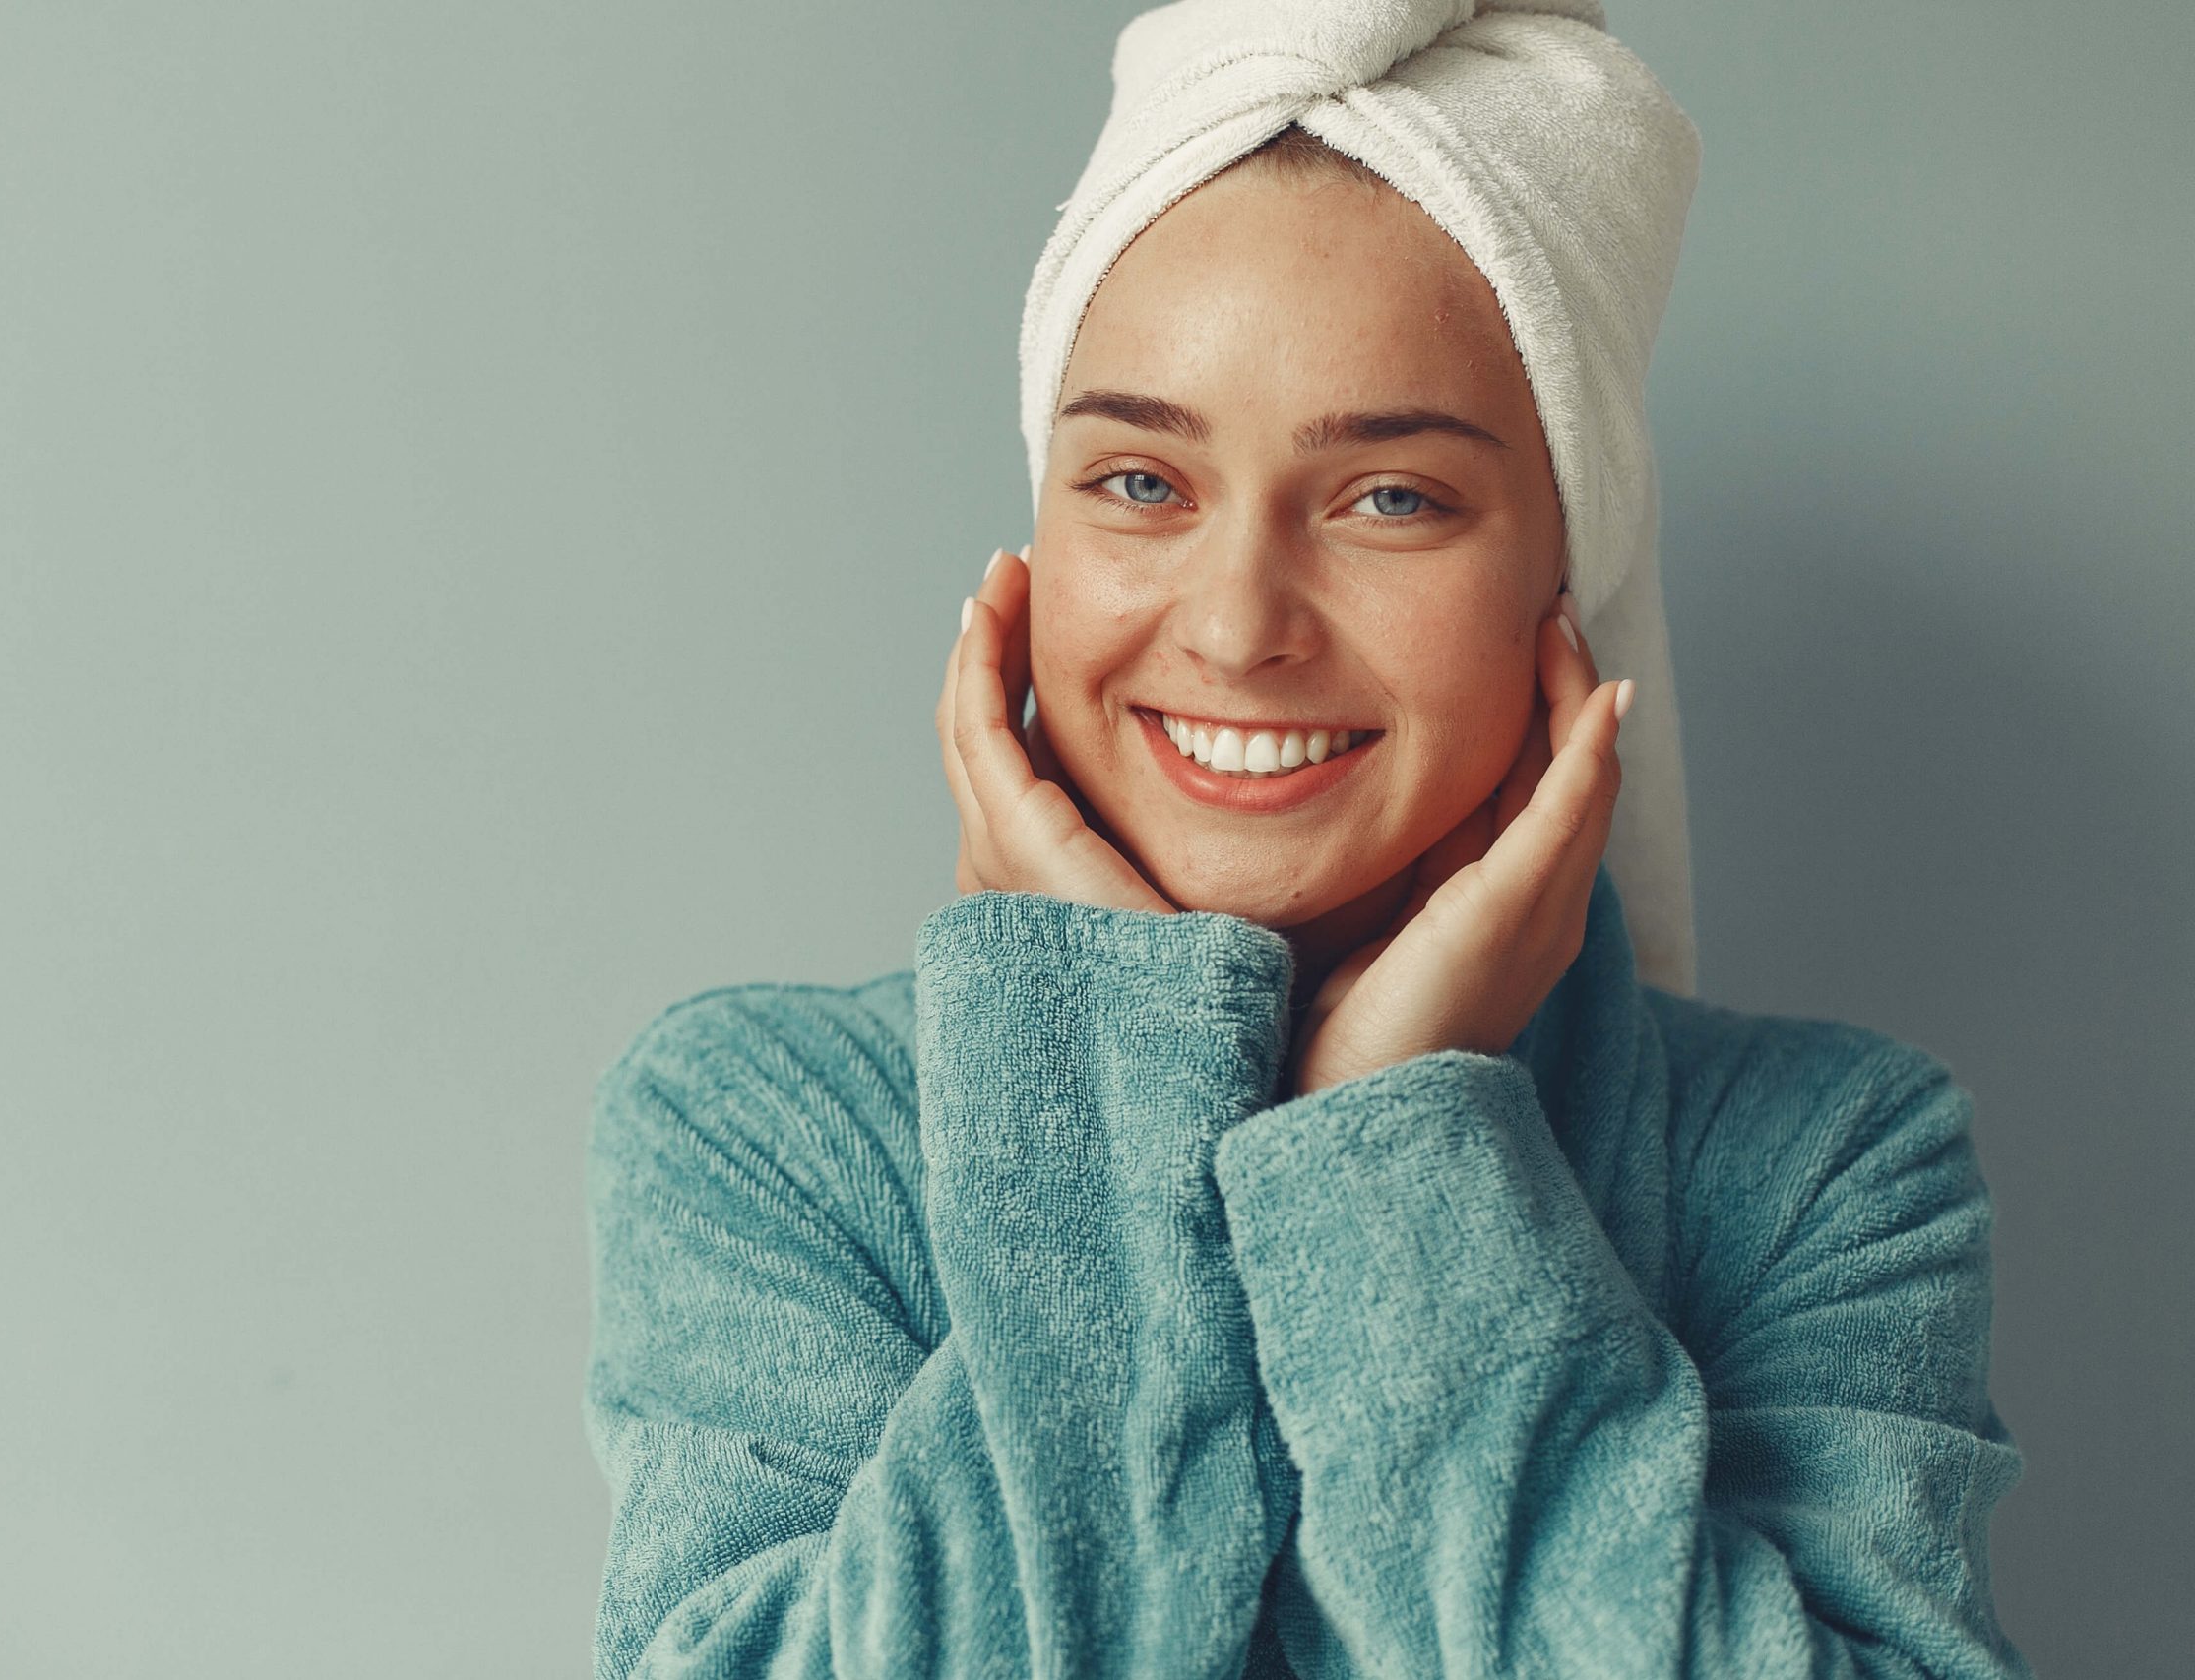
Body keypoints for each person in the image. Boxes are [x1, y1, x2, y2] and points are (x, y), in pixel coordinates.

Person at [581, 7, 2033, 1677]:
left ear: (1569, 589)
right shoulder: (774, 1132)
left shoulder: (1824, 1166)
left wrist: (1394, 1149)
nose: (1239, 624)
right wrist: (1093, 1060)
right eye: (1139, 482)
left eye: (1391, 498)